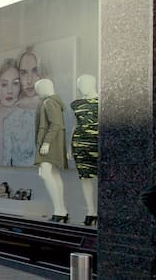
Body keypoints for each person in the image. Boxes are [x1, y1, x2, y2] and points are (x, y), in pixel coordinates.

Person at [34, 78, 68, 222]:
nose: (37, 93)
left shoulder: (49, 103)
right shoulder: (54, 102)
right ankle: (61, 210)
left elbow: (55, 124)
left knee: (46, 174)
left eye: (38, 90)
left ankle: (59, 210)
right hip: (53, 142)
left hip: (49, 143)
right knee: (53, 173)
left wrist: (46, 143)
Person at [71, 74, 100, 226]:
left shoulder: (103, 101)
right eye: (79, 84)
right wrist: (71, 145)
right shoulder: (76, 104)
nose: (80, 87)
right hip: (80, 142)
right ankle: (91, 211)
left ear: (93, 83)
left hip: (98, 142)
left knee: (101, 177)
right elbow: (76, 124)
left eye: (83, 84)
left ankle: (102, 210)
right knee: (85, 177)